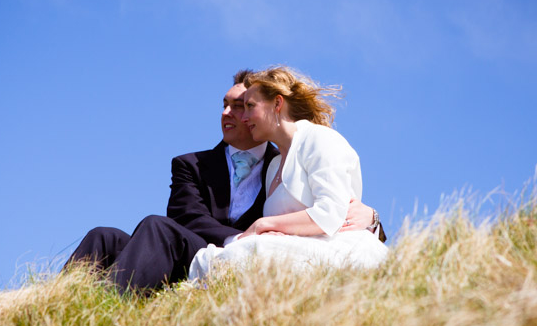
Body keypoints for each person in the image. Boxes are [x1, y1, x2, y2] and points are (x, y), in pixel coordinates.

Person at [64, 70, 382, 295]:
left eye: (243, 106)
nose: (231, 114)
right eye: (225, 104)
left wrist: (373, 219)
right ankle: (54, 304)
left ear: (275, 105)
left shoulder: (288, 156)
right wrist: (245, 238)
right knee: (103, 237)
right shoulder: (191, 164)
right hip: (206, 248)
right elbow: (187, 218)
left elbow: (338, 210)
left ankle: (103, 310)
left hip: (248, 255)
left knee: (155, 228)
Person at [189, 67, 388, 279]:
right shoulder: (274, 165)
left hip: (334, 248)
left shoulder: (320, 139)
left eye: (250, 106)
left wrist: (264, 224)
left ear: (277, 103)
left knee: (233, 255)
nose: (244, 117)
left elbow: (330, 215)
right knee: (212, 258)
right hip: (289, 249)